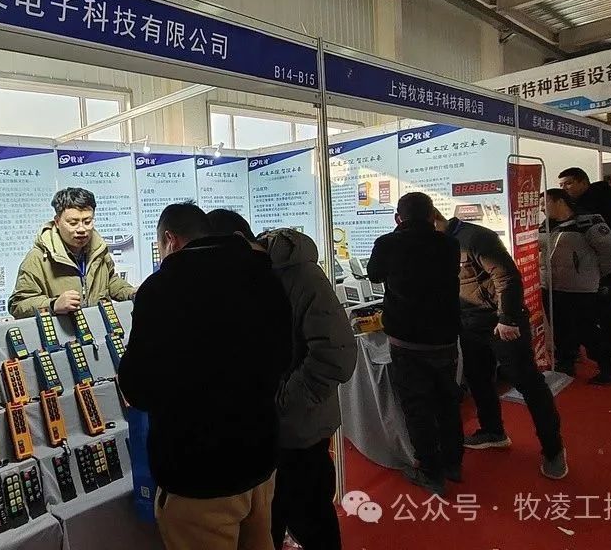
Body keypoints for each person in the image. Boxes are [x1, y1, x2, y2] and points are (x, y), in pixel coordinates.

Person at [118, 203, 292, 550]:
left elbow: (139, 388)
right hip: (259, 459)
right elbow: (284, 358)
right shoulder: (263, 276)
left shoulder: (161, 289)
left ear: (170, 240)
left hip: (197, 474)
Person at [206, 210, 356, 550]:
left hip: (299, 432)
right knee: (266, 524)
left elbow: (336, 355)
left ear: (237, 242)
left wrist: (282, 403)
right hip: (260, 434)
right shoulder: (242, 276)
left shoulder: (300, 274)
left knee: (311, 519)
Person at [433, 211, 567, 480]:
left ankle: (553, 449)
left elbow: (507, 277)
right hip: (468, 323)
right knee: (478, 380)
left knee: (528, 382)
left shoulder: (476, 237)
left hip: (500, 323)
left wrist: (507, 318)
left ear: (434, 218)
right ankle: (493, 431)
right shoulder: (438, 243)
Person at [367, 192, 462, 496]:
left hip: (407, 339)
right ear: (433, 215)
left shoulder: (388, 242)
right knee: (447, 401)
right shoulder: (449, 243)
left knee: (417, 406)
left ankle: (431, 472)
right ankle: (453, 463)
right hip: (445, 336)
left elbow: (374, 274)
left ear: (398, 217)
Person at [9, 187, 135, 319]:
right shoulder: (38, 258)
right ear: (57, 222)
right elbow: (17, 305)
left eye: (87, 222)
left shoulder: (98, 249)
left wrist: (131, 293)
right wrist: (53, 305)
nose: (81, 229)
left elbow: (109, 281)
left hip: (99, 327)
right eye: (73, 223)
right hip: (63, 331)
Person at [541, 189, 611, 385]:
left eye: (545, 203)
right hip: (552, 287)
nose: (542, 208)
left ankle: (609, 367)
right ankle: (565, 364)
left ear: (560, 201)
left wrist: (592, 274)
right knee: (560, 328)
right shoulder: (545, 226)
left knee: (587, 329)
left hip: (580, 288)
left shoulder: (588, 222)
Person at [558, 167, 611, 367]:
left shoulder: (601, 204)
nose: (565, 189)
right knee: (588, 311)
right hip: (591, 269)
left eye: (569, 183)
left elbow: (609, 247)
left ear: (583, 182)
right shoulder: (581, 205)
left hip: (608, 269)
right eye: (561, 185)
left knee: (606, 310)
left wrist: (605, 273)